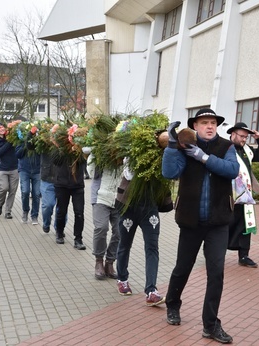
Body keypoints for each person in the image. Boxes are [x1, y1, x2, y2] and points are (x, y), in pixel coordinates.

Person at [162, 108, 239, 344]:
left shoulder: (227, 147)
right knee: (182, 268)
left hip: (218, 222)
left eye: (213, 123)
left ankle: (210, 324)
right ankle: (172, 305)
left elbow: (232, 170)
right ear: (194, 126)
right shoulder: (184, 147)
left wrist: (204, 158)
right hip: (191, 221)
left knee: (216, 273)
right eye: (204, 122)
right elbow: (169, 172)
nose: (209, 126)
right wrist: (172, 145)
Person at [114, 159, 165, 307]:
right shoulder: (130, 149)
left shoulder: (157, 152)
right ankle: (122, 279)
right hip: (129, 205)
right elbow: (128, 175)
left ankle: (151, 290)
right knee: (125, 244)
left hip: (150, 206)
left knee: (152, 247)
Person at [227, 122, 259, 268]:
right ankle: (212, 253)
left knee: (245, 226)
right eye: (241, 136)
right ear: (233, 134)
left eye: (246, 137)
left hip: (246, 196)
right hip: (228, 195)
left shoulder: (246, 150)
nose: (244, 139)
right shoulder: (224, 148)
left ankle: (244, 256)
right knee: (224, 225)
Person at [91, 164, 120, 280]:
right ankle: (99, 261)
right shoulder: (100, 154)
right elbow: (91, 172)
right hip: (100, 197)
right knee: (101, 227)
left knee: (120, 231)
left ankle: (110, 262)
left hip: (119, 198)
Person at [53, 154, 87, 249]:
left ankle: (78, 239)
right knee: (62, 211)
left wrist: (78, 150)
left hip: (78, 184)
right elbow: (55, 160)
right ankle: (59, 232)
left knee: (79, 212)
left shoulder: (80, 147)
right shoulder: (59, 146)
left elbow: (84, 160)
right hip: (62, 184)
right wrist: (60, 148)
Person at [0, 122, 19, 219]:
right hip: (2, 168)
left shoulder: (12, 136)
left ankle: (8, 211)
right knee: (4, 188)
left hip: (14, 167)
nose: (2, 129)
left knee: (12, 191)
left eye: (3, 127)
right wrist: (9, 142)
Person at [15, 129, 41, 225]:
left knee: (36, 194)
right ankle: (25, 211)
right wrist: (25, 144)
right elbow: (17, 154)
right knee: (25, 191)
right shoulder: (21, 141)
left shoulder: (39, 142)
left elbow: (42, 153)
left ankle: (34, 215)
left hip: (37, 170)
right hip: (24, 170)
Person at [40, 152, 57, 233]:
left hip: (62, 179)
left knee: (62, 208)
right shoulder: (44, 141)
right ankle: (46, 223)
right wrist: (30, 138)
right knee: (47, 205)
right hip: (47, 179)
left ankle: (59, 229)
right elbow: (31, 146)